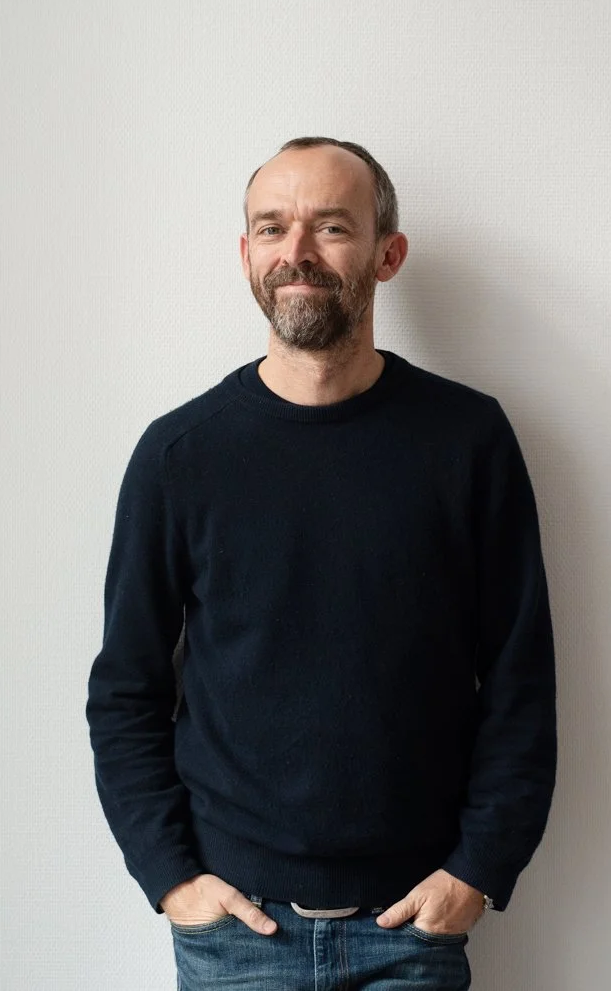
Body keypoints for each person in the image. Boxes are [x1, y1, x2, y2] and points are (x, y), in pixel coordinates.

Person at [86, 137, 557, 990]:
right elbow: (125, 689)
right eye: (272, 227)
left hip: (411, 928)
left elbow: (520, 681)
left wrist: (479, 870)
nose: (296, 251)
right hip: (235, 935)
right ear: (246, 254)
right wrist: (170, 876)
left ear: (388, 253)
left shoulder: (468, 442)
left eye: (331, 226)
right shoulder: (180, 455)